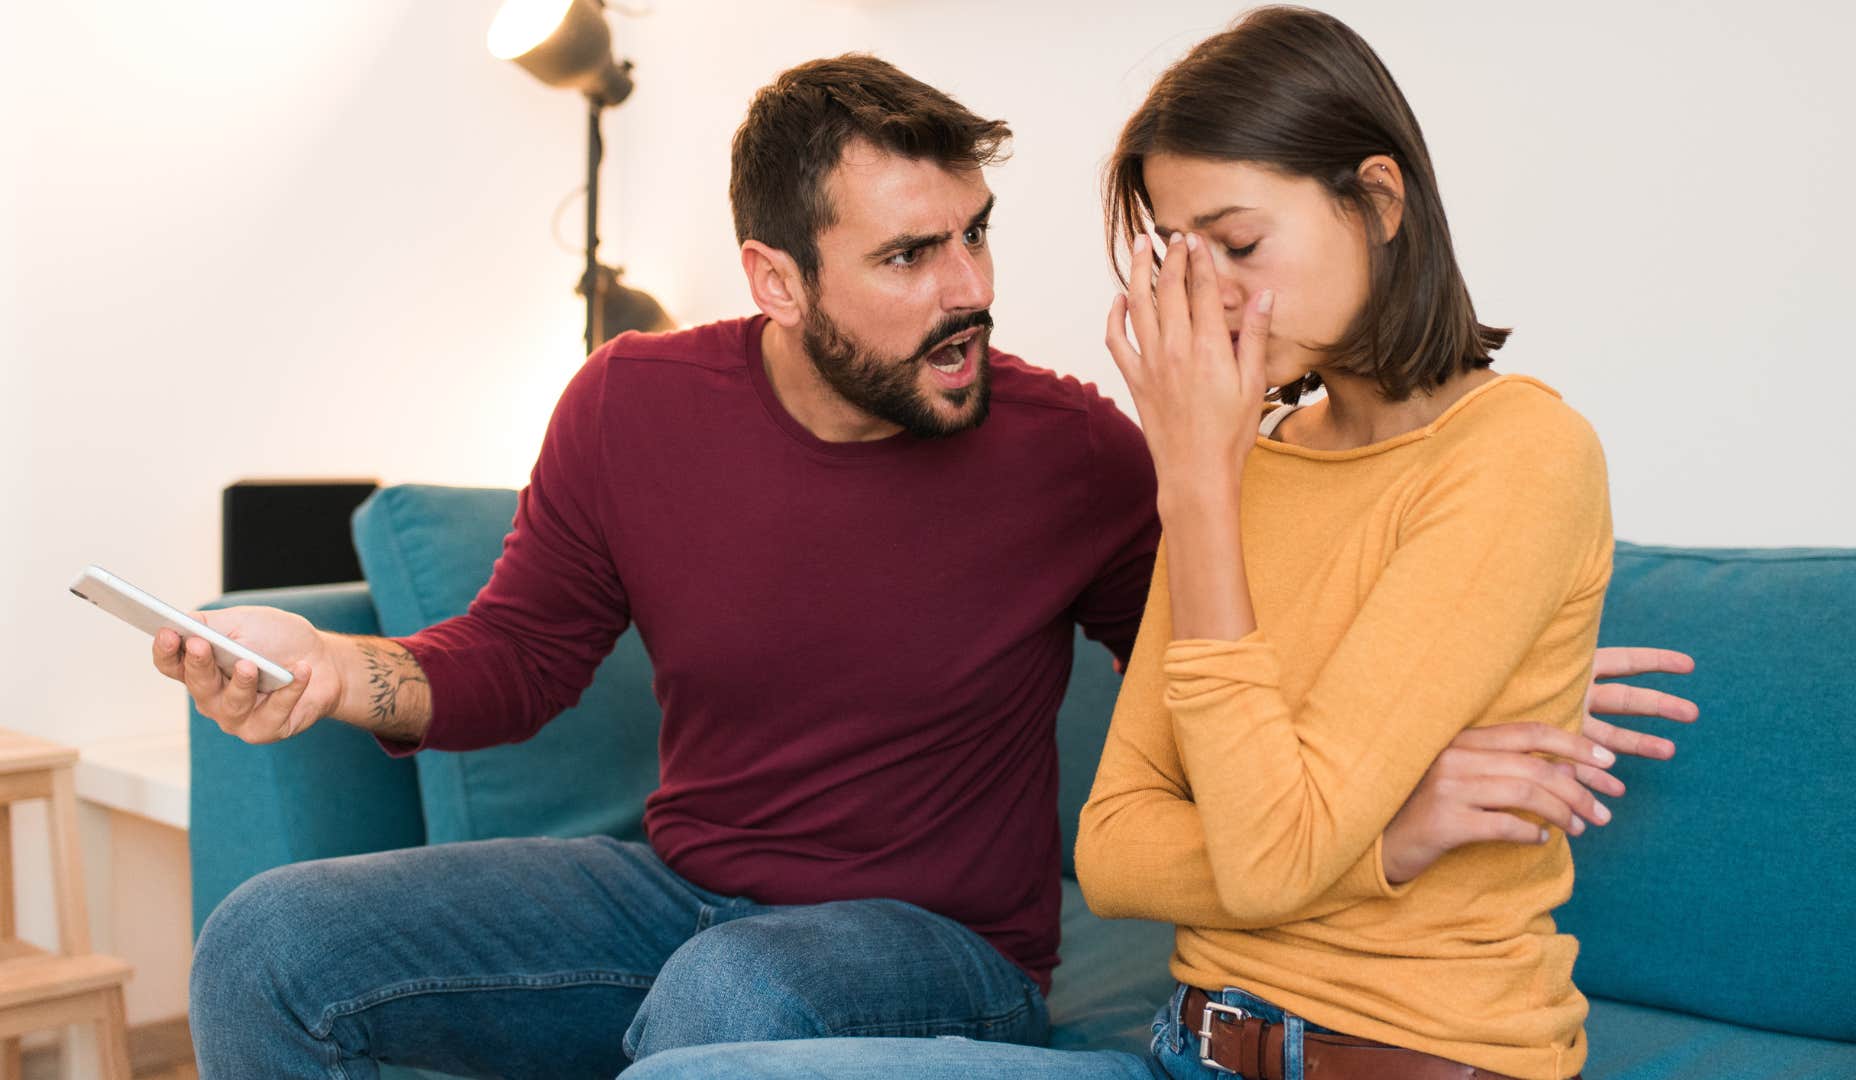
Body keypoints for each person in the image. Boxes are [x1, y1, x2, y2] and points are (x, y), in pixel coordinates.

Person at [163, 46, 1690, 1080]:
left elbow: (1260, 658)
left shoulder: (1083, 451)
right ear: (776, 278)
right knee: (269, 942)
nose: (970, 291)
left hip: (938, 950)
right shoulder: (633, 403)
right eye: (908, 258)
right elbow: (516, 658)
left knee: (732, 1007)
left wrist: (1470, 667)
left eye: (976, 236)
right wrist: (336, 670)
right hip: (677, 886)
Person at [624, 7, 1637, 1080]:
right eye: (1185, 255)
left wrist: (1198, 480)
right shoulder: (1257, 460)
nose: (1214, 296)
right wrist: (1391, 833)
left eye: (1242, 244)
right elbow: (1114, 850)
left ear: (1377, 200)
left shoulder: (1520, 452)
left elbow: (1270, 855)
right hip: (1184, 1052)